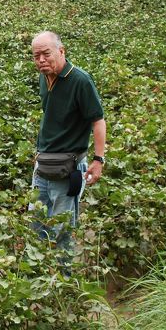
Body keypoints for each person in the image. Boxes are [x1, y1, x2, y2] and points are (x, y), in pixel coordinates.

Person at [30, 31, 106, 269]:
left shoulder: (80, 80)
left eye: (46, 54)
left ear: (61, 51)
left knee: (62, 227)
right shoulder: (44, 76)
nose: (41, 60)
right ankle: (39, 273)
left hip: (69, 166)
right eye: (36, 56)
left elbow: (98, 120)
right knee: (36, 222)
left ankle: (63, 279)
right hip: (43, 164)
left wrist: (98, 160)